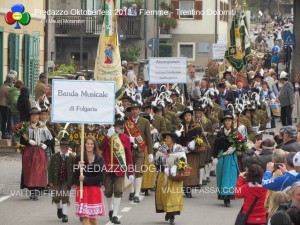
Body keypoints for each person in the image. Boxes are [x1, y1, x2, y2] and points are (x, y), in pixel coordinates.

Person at [103, 114, 134, 224]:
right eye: (119, 125)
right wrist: (107, 137)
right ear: (114, 126)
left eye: (122, 125)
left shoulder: (125, 138)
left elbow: (129, 156)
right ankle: (110, 209)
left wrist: (131, 172)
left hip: (119, 169)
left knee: (118, 191)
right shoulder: (107, 136)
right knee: (108, 191)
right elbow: (100, 148)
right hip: (107, 168)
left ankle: (115, 214)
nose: (121, 127)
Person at [20, 106, 53, 201]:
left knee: (38, 170)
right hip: (29, 151)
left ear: (38, 116)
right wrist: (28, 141)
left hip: (39, 151)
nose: (34, 116)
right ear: (30, 117)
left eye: (36, 115)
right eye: (32, 115)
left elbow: (50, 139)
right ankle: (32, 190)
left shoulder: (43, 127)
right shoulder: (26, 127)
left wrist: (45, 145)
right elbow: (22, 139)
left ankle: (36, 191)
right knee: (29, 170)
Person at [125, 101, 154, 203]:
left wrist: (150, 152)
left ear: (139, 110)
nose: (134, 111)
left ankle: (137, 194)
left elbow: (148, 138)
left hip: (140, 150)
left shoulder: (145, 122)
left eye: (136, 109)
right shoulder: (126, 123)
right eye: (133, 109)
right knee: (130, 171)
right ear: (130, 111)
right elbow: (123, 138)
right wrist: (129, 140)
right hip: (129, 150)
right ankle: (132, 191)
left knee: (138, 171)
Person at [155, 132, 186, 225]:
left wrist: (176, 167)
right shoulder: (162, 148)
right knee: (164, 195)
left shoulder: (179, 148)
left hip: (175, 175)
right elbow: (156, 161)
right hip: (163, 174)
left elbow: (183, 161)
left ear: (173, 139)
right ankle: (168, 212)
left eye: (168, 138)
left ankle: (172, 215)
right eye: (165, 138)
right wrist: (163, 168)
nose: (166, 139)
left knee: (173, 196)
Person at [74, 136, 106, 225]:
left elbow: (101, 177)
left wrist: (86, 178)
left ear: (94, 146)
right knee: (85, 217)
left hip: (94, 190)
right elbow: (75, 176)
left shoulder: (99, 159)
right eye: (88, 143)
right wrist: (78, 168)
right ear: (85, 144)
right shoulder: (79, 158)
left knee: (93, 219)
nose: (89, 145)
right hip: (82, 189)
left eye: (91, 144)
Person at [213, 110, 239, 207]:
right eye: (226, 120)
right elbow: (215, 145)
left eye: (229, 120)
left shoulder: (235, 132)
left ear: (232, 121)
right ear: (224, 122)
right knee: (222, 175)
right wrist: (214, 157)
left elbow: (241, 145)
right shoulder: (219, 133)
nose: (227, 122)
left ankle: (229, 197)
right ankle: (223, 195)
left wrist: (235, 147)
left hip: (231, 157)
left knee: (230, 176)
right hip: (222, 156)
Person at [48, 138, 75, 223]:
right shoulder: (54, 156)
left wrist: (74, 182)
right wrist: (50, 181)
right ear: (60, 147)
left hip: (67, 180)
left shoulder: (71, 157)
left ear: (68, 148)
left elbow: (74, 170)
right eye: (62, 147)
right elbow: (50, 169)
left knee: (64, 195)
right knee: (56, 197)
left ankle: (65, 215)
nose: (64, 149)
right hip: (56, 179)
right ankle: (59, 208)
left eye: (66, 148)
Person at [178, 107, 202, 198]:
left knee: (191, 170)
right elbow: (177, 138)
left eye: (189, 115)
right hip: (182, 151)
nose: (187, 117)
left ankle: (189, 189)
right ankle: (184, 187)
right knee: (182, 168)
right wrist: (181, 147)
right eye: (186, 115)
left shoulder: (196, 127)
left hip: (192, 152)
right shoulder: (180, 127)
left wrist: (194, 143)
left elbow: (200, 138)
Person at [0, 73, 15, 138]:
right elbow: (10, 96)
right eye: (12, 80)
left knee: (4, 119)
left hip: (2, 104)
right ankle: (4, 133)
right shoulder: (7, 88)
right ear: (10, 80)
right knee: (5, 120)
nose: (13, 81)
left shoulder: (2, 86)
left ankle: (4, 132)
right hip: (5, 105)